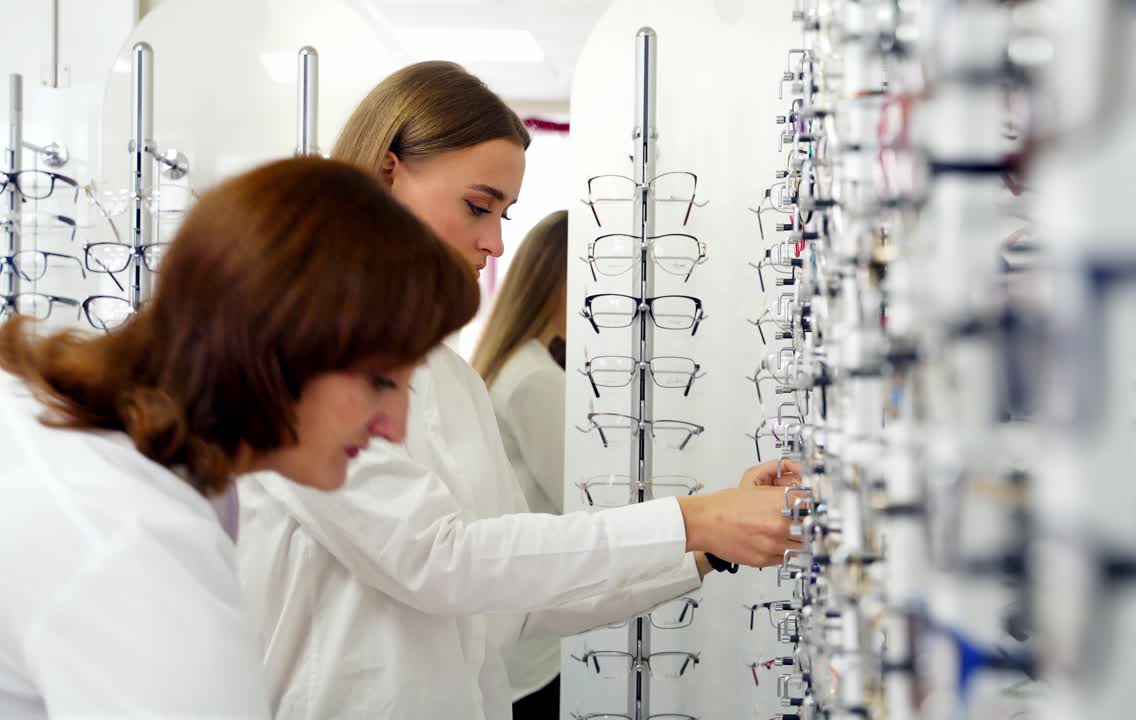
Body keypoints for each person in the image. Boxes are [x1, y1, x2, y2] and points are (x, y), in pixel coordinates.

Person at [236, 61, 801, 720]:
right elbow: (439, 558)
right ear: (388, 172)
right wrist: (697, 516)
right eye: (478, 206)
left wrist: (708, 547)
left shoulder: (451, 378)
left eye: (504, 213)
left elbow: (517, 593)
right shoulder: (298, 357)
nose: (495, 242)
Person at [0, 157, 478, 719]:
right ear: (274, 346)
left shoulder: (84, 443)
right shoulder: (134, 550)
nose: (394, 427)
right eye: (380, 381)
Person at [471, 210, 570, 714]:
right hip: (533, 652)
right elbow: (581, 505)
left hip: (517, 635)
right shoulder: (535, 379)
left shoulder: (516, 363)